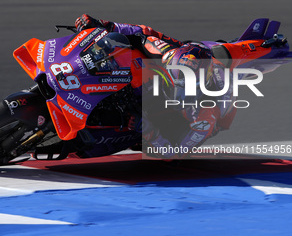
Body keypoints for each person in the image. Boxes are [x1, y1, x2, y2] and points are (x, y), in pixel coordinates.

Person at [75, 14, 237, 158]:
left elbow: (176, 152)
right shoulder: (166, 53)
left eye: (185, 87)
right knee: (129, 56)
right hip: (171, 74)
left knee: (140, 135)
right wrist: (103, 24)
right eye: (177, 85)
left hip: (178, 123)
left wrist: (149, 131)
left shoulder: (206, 116)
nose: (179, 92)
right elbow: (141, 32)